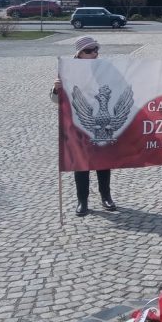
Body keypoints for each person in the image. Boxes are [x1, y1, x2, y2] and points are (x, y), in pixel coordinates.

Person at [50, 36, 116, 217]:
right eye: (89, 51)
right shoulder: (67, 69)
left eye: (96, 50)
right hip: (77, 124)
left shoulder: (103, 68)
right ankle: (82, 200)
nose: (94, 53)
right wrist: (56, 89)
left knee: (103, 160)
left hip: (101, 123)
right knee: (80, 162)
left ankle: (106, 196)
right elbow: (56, 100)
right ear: (79, 53)